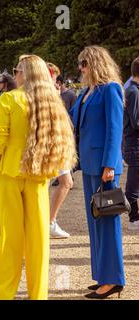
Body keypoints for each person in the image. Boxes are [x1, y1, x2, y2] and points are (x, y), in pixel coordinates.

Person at [0, 55, 77, 300]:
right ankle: (37, 294)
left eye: (17, 70)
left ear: (26, 73)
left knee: (11, 238)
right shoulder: (51, 101)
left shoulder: (9, 98)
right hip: (38, 175)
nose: (15, 74)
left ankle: (3, 292)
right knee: (39, 239)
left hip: (10, 174)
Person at [69, 46, 125, 299]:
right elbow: (72, 120)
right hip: (89, 164)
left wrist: (110, 165)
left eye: (84, 63)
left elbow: (115, 129)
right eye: (80, 64)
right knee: (95, 222)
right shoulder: (86, 92)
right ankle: (103, 275)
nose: (80, 68)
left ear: (95, 63)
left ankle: (113, 280)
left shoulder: (110, 89)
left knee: (107, 221)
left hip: (104, 167)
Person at [47, 63, 73, 239]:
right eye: (55, 77)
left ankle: (48, 221)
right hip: (52, 144)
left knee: (65, 182)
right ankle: (48, 222)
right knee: (63, 182)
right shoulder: (48, 94)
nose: (57, 82)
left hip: (56, 143)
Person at [123, 56, 139, 231]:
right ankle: (133, 218)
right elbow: (136, 121)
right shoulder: (134, 92)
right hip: (135, 145)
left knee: (134, 185)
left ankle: (134, 218)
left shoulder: (134, 90)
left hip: (134, 144)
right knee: (132, 188)